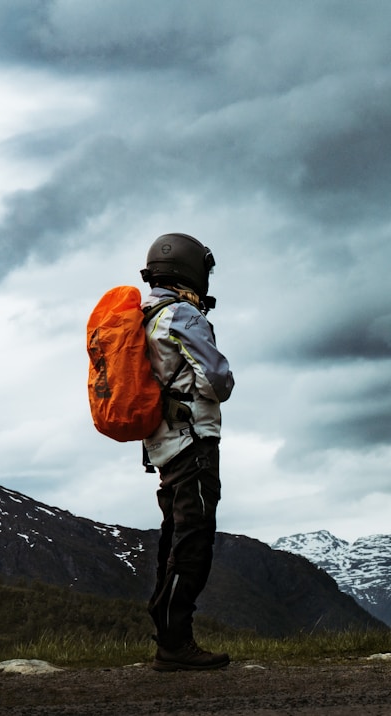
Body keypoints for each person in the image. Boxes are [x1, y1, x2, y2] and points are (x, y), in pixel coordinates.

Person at [139, 233, 236, 671]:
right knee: (194, 538)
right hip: (192, 440)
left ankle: (169, 636)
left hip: (160, 442)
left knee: (173, 536)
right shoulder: (182, 314)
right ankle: (176, 641)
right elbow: (218, 381)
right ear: (192, 269)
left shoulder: (145, 315)